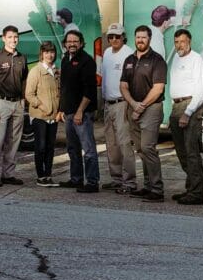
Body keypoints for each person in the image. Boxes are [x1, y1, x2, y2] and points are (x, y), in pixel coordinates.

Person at [120, 25, 167, 202]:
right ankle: (147, 186)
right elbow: (123, 85)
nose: (140, 40)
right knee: (140, 148)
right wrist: (133, 104)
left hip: (152, 108)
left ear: (149, 39)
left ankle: (157, 190)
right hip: (133, 108)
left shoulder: (157, 60)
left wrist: (142, 106)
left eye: (144, 37)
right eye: (138, 37)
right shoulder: (129, 59)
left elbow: (158, 88)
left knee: (148, 147)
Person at [0, 25, 28, 186]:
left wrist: (23, 99)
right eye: (10, 37)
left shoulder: (22, 58)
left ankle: (8, 174)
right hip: (0, 103)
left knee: (14, 141)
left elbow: (24, 80)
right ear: (3, 38)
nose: (13, 40)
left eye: (16, 37)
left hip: (17, 104)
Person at [168, 28, 203, 205]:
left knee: (191, 152)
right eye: (176, 42)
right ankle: (190, 187)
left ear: (189, 41)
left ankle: (197, 193)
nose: (179, 45)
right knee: (181, 151)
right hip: (176, 106)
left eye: (182, 42)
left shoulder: (196, 59)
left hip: (190, 106)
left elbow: (201, 89)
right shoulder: (176, 58)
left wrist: (188, 112)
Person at [58, 30, 100, 192]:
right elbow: (65, 88)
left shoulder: (87, 61)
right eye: (69, 41)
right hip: (68, 113)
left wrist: (80, 111)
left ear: (81, 43)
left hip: (82, 113)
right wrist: (62, 109)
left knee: (88, 148)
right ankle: (76, 179)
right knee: (72, 148)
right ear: (65, 44)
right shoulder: (65, 60)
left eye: (75, 41)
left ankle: (92, 182)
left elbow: (89, 91)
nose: (72, 44)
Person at [100, 23, 136, 194]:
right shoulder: (107, 53)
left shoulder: (129, 54)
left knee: (124, 144)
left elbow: (133, 82)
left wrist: (130, 105)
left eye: (117, 36)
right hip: (108, 104)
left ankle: (129, 183)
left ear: (123, 37)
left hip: (122, 104)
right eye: (111, 37)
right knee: (111, 144)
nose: (114, 39)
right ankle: (116, 179)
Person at [25, 41, 60, 187]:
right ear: (42, 54)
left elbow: (60, 92)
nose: (49, 55)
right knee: (40, 146)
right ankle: (40, 176)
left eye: (51, 52)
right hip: (40, 116)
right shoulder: (36, 71)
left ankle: (48, 174)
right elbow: (29, 94)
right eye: (46, 52)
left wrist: (59, 111)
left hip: (54, 116)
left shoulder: (56, 71)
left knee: (51, 147)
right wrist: (42, 106)